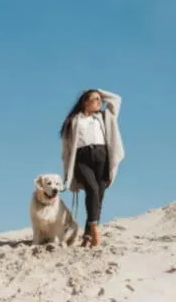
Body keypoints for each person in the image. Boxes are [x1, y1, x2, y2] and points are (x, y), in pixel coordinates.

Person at [60, 88, 125, 248]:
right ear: (85, 102)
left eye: (100, 99)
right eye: (95, 99)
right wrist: (67, 174)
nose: (99, 101)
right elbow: (66, 150)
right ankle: (95, 228)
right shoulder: (73, 120)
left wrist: (98, 92)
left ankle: (88, 235)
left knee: (98, 195)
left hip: (102, 156)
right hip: (81, 158)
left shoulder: (104, 116)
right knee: (92, 189)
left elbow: (116, 99)